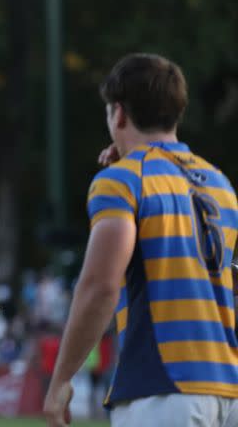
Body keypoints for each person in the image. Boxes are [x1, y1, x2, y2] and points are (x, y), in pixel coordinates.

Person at [43, 54, 238, 427]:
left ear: (118, 113)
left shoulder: (123, 180)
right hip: (227, 386)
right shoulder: (220, 184)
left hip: (163, 386)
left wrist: (61, 379)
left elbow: (100, 286)